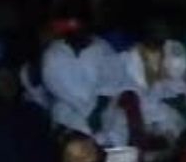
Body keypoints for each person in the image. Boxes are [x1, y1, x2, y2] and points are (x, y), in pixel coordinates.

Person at [41, 17, 136, 146]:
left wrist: (98, 109)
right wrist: (87, 111)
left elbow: (113, 79)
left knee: (116, 136)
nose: (79, 35)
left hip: (104, 108)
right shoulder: (53, 55)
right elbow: (57, 88)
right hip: (68, 113)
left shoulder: (102, 47)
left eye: (82, 30)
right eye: (74, 32)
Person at [121, 17, 186, 145]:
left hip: (178, 98)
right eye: (158, 28)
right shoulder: (130, 56)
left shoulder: (175, 47)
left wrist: (178, 97)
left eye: (165, 27)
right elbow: (139, 90)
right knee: (163, 117)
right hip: (150, 104)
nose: (164, 31)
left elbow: (180, 78)